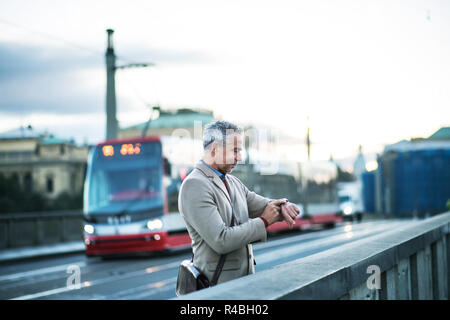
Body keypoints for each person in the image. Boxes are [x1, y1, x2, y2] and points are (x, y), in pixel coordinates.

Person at [178, 120, 300, 286]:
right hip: (217, 290)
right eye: (234, 151)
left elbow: (263, 205)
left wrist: (283, 204)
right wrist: (263, 221)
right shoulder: (194, 185)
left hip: (243, 284)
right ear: (215, 149)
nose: (239, 157)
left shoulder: (232, 181)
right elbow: (221, 240)